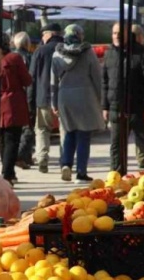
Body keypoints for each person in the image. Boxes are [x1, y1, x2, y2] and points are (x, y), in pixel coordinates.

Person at [102, 23, 144, 173]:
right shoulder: (109, 54)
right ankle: (117, 178)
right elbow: (105, 82)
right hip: (117, 109)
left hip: (138, 108)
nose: (117, 36)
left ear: (129, 34)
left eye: (120, 33)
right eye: (114, 33)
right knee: (116, 147)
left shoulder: (142, 54)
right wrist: (105, 106)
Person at [51, 24, 103, 183]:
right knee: (83, 134)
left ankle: (66, 163)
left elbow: (52, 81)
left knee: (69, 131)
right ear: (80, 35)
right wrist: (101, 100)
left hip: (64, 95)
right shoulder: (88, 52)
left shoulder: (57, 54)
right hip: (85, 95)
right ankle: (81, 172)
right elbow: (96, 77)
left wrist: (54, 103)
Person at [0, 33, 32, 185]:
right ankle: (7, 174)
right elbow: (27, 80)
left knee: (1, 139)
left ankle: (8, 171)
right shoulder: (15, 58)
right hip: (12, 102)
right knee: (12, 139)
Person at [27, 23, 63, 173]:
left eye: (43, 35)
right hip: (63, 97)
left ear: (48, 34)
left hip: (43, 97)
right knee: (65, 129)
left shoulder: (40, 51)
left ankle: (42, 158)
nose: (42, 38)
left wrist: (30, 101)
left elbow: (32, 78)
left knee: (42, 129)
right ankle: (65, 161)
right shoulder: (66, 49)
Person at [11, 32, 35, 170]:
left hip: (15, 95)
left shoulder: (11, 56)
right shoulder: (28, 57)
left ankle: (23, 156)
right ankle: (22, 156)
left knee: (17, 129)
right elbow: (30, 78)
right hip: (26, 94)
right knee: (27, 128)